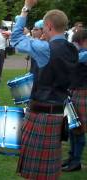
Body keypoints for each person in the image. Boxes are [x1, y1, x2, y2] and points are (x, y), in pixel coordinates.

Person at [11, 0, 78, 179]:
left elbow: (16, 38)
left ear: (48, 26)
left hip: (41, 114)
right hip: (58, 114)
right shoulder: (73, 49)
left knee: (36, 174)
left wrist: (26, 9)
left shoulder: (45, 49)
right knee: (48, 173)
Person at [62, 30, 87, 172]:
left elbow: (77, 58)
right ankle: (71, 157)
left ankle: (76, 161)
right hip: (73, 92)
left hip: (82, 93)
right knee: (72, 128)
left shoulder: (83, 54)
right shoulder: (78, 51)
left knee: (79, 129)